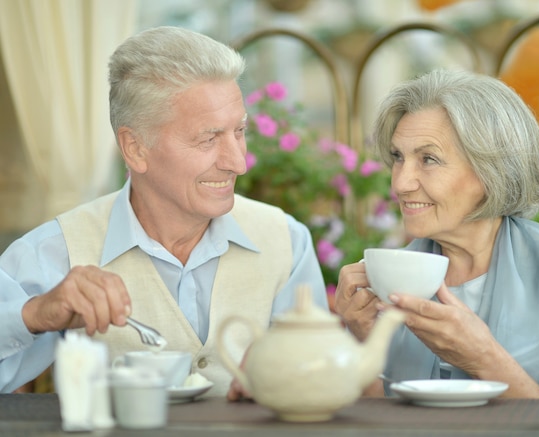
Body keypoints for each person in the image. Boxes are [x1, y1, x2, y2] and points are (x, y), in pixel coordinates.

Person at [0, 26, 328, 396]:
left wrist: (295, 380)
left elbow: (321, 380)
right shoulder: (55, 251)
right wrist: (34, 315)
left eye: (239, 131)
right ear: (135, 148)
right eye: (208, 139)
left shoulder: (287, 241)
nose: (238, 162)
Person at [335, 69, 539, 399]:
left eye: (428, 159)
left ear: (492, 171)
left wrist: (484, 358)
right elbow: (375, 422)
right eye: (398, 157)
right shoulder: (387, 278)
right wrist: (362, 338)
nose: (400, 183)